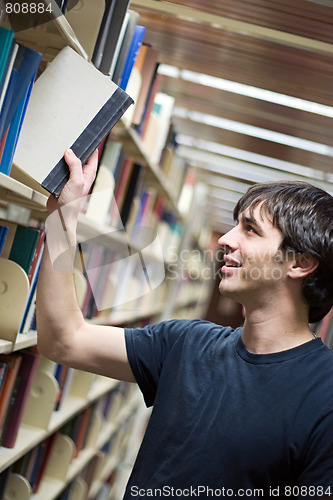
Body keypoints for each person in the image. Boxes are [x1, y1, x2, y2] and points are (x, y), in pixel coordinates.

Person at [36, 149, 333, 499]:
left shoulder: (325, 395)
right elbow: (63, 339)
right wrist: (62, 218)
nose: (225, 239)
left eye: (250, 230)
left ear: (300, 262)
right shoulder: (186, 342)